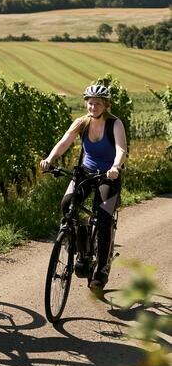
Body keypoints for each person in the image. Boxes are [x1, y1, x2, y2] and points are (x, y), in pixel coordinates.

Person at [40, 84, 127, 290]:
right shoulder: (82, 123)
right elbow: (64, 141)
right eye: (90, 102)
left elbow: (121, 149)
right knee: (67, 204)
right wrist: (50, 159)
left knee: (104, 217)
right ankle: (80, 248)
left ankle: (101, 269)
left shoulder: (115, 124)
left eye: (97, 103)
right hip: (86, 172)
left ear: (105, 105)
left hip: (108, 175)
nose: (93, 106)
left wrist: (115, 166)